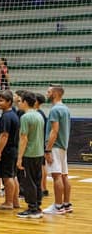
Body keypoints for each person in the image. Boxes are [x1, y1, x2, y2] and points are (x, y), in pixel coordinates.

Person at [43, 84, 71, 215]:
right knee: (64, 175)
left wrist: (48, 150)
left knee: (56, 176)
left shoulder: (55, 110)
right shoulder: (65, 108)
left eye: (48, 92)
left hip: (55, 146)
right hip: (63, 146)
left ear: (55, 93)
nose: (46, 94)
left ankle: (58, 206)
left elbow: (54, 131)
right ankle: (66, 204)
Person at [16, 93, 45, 219]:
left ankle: (32, 208)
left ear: (25, 102)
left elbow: (24, 138)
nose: (19, 103)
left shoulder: (25, 117)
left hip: (29, 154)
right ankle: (37, 205)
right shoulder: (39, 115)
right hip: (39, 153)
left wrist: (19, 157)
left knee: (29, 182)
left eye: (20, 101)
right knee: (37, 181)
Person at [0, 91, 20, 210]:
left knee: (7, 177)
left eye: (1, 100)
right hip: (13, 149)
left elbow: (4, 135)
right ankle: (15, 202)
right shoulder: (13, 114)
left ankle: (9, 202)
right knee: (13, 176)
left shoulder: (6, 116)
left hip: (7, 151)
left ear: (9, 102)